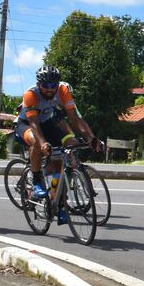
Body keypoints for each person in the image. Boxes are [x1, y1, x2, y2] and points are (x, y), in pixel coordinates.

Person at [15, 65, 102, 204]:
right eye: (45, 85)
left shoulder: (62, 90)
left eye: (53, 85)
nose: (49, 89)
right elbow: (34, 124)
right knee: (36, 141)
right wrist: (43, 143)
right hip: (27, 124)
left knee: (59, 161)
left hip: (47, 122)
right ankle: (36, 179)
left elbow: (74, 118)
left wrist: (91, 137)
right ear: (38, 84)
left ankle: (55, 195)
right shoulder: (30, 94)